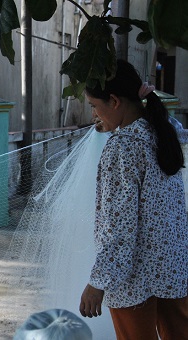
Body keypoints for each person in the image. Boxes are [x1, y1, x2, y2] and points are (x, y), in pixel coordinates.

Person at [79, 59, 188, 339]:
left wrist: (98, 282)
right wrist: (114, 125)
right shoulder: (165, 132)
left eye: (94, 106)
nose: (93, 113)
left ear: (114, 100)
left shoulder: (122, 149)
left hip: (133, 277)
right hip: (173, 267)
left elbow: (119, 226)